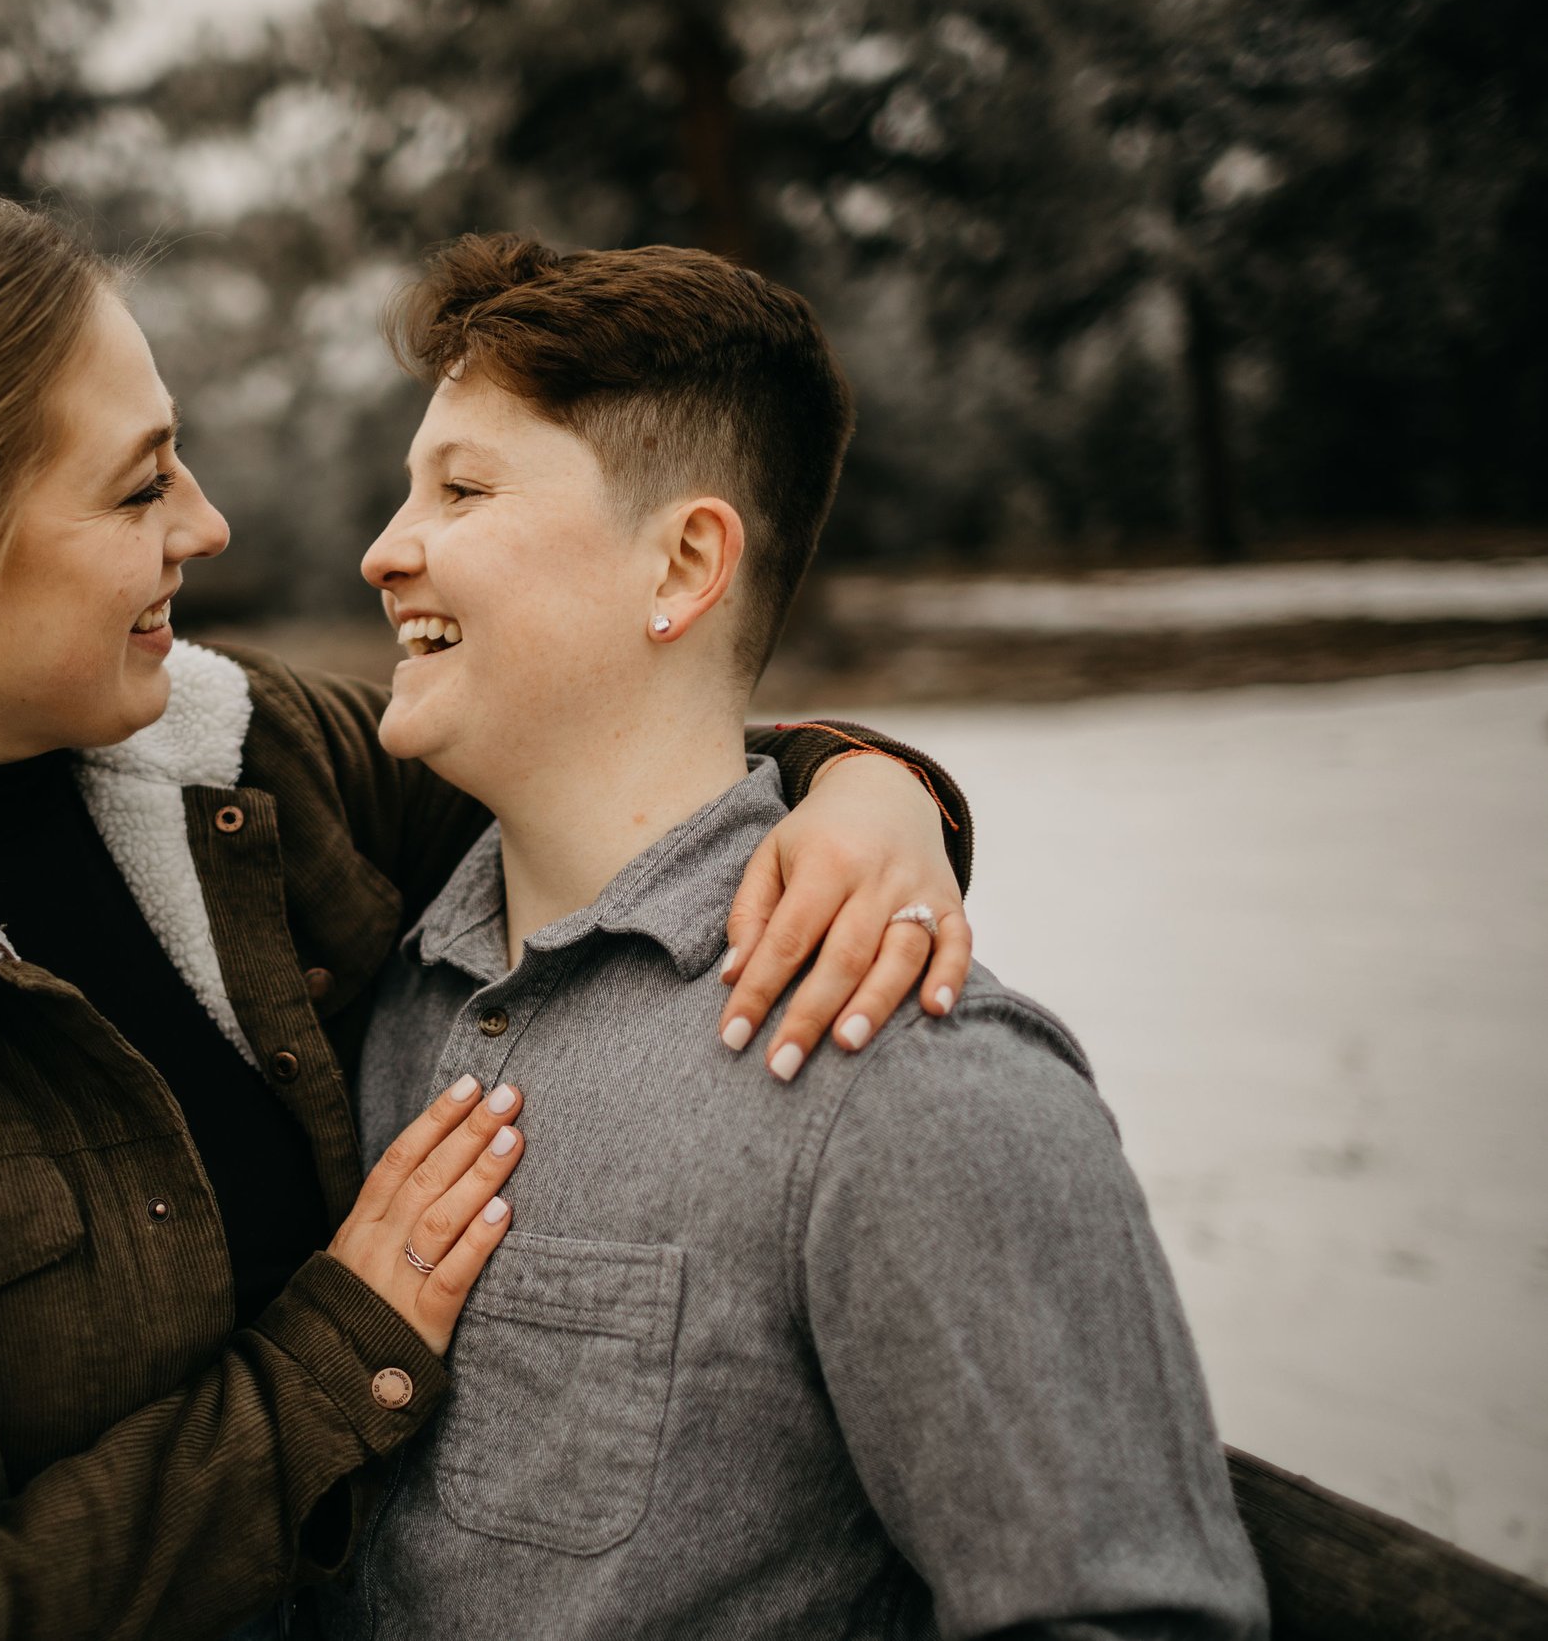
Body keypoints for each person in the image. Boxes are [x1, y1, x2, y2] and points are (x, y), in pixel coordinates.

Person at [0, 174, 983, 1641]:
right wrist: (340, 1357)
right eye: (138, 486)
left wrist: (866, 786)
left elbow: (621, 776)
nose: (207, 523)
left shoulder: (252, 771)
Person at [322, 234, 1269, 1640]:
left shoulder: (902, 1078)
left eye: (461, 489)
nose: (383, 550)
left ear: (688, 561)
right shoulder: (394, 988)